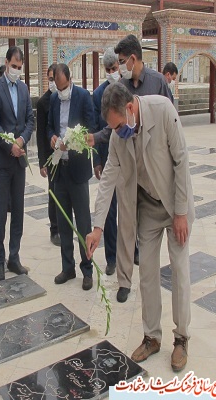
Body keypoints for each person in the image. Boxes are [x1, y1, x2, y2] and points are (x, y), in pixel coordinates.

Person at [86, 82, 194, 372]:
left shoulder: (162, 110)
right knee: (147, 272)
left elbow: (181, 160)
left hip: (175, 204)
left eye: (120, 125)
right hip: (147, 208)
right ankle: (152, 336)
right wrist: (97, 227)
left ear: (130, 108)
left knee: (179, 269)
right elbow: (108, 179)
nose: (118, 132)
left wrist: (181, 213)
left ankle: (181, 338)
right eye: (113, 128)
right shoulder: (118, 136)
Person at [48, 63, 95, 291]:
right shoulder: (54, 99)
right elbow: (49, 126)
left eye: (63, 87)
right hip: (60, 169)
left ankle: (87, 269)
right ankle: (68, 267)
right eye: (58, 88)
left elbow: (90, 128)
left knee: (83, 222)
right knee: (64, 220)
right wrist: (52, 137)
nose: (61, 91)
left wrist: (72, 142)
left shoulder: (83, 97)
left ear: (70, 79)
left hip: (78, 169)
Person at [0, 46, 34, 281]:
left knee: (18, 211)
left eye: (19, 67)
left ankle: (14, 257)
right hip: (3, 162)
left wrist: (22, 140)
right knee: (1, 213)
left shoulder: (24, 88)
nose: (16, 70)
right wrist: (10, 145)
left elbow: (30, 120)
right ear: (6, 63)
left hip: (19, 161)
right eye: (13, 66)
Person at [92, 48, 119, 278]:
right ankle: (112, 257)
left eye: (114, 68)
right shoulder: (98, 94)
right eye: (108, 69)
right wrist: (97, 161)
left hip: (128, 162)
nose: (112, 73)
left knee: (130, 209)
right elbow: (96, 129)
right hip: (108, 159)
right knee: (109, 211)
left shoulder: (127, 89)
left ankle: (134, 250)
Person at [36, 63, 60, 246]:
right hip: (51, 156)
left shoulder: (64, 97)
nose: (53, 82)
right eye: (51, 79)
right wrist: (42, 161)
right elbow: (40, 134)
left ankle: (65, 225)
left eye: (55, 79)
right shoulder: (43, 102)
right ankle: (54, 229)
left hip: (66, 153)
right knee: (54, 192)